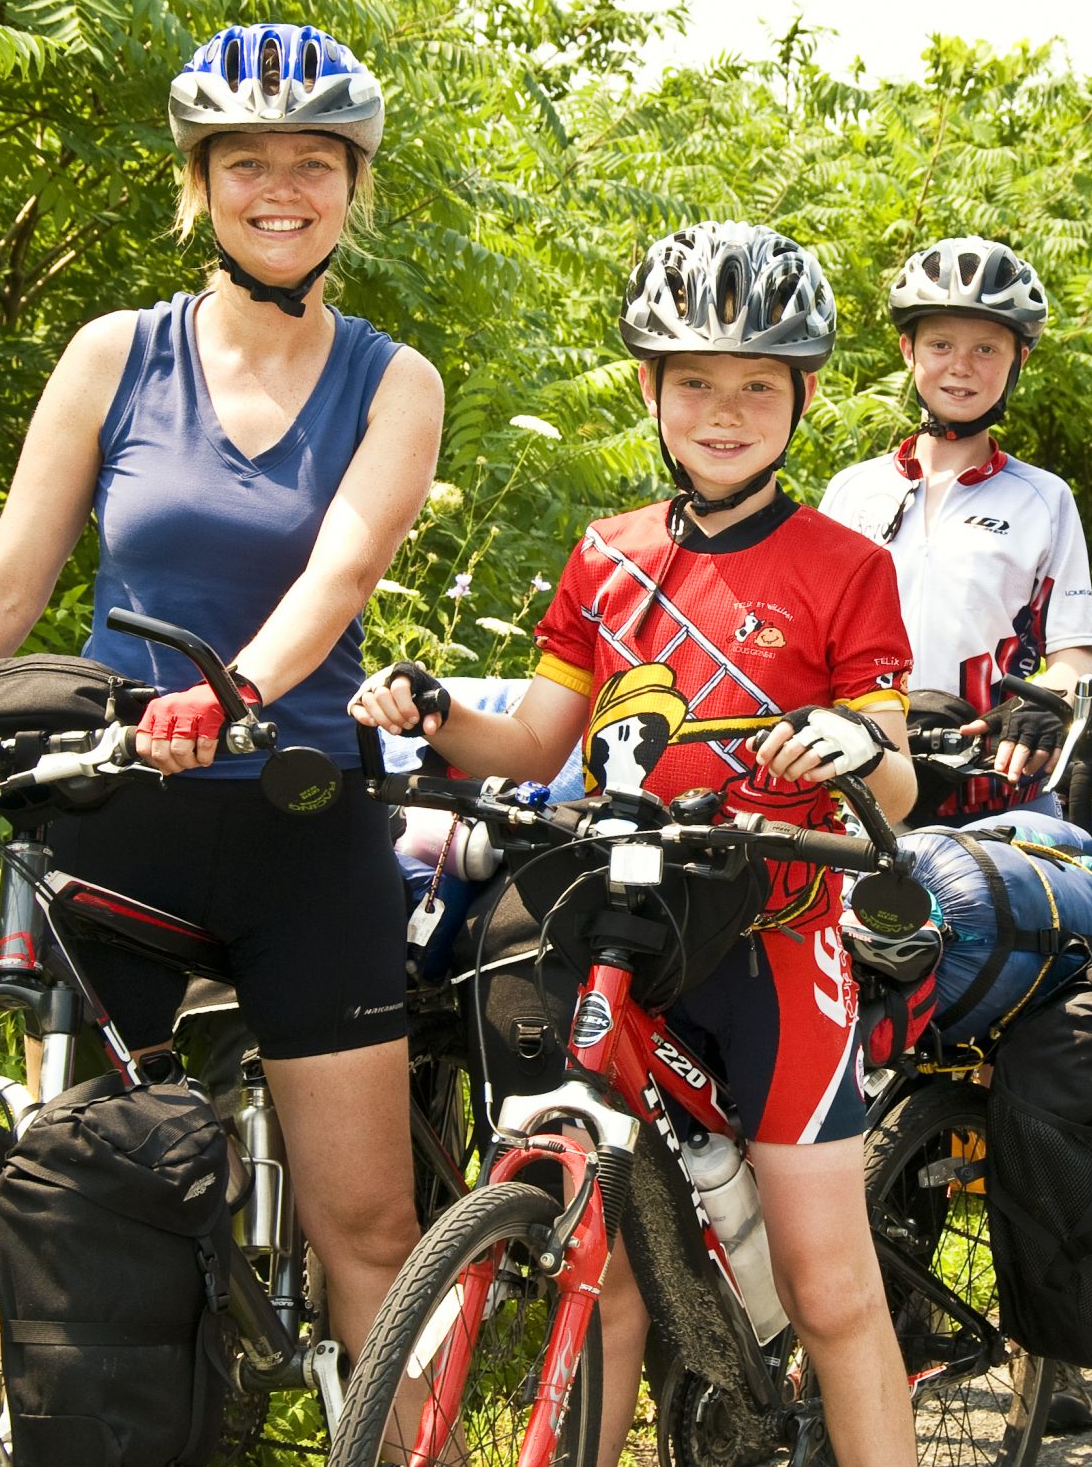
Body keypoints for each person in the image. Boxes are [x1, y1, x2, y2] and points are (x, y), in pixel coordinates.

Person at [0, 22, 444, 1363]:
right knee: (77, 1219)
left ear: (353, 188)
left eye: (314, 162)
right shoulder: (114, 355)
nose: (281, 187)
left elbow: (341, 571)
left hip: (299, 823)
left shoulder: (395, 381)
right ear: (198, 182)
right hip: (110, 817)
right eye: (245, 160)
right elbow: (11, 575)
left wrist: (227, 692)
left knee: (365, 1227)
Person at [352, 220, 918, 1467]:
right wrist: (436, 710)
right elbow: (539, 739)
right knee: (594, 1266)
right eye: (695, 381)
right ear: (651, 390)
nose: (726, 410)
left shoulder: (847, 565)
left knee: (831, 1290)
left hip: (773, 936)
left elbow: (901, 771)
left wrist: (848, 745)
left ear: (803, 396)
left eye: (758, 383)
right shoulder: (607, 554)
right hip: (622, 925)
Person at [819, 237, 1092, 822]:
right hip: (860, 791)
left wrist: (1050, 701)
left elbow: (1075, 658)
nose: (961, 366)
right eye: (941, 344)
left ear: (1019, 360)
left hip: (996, 790)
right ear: (907, 350)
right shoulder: (850, 490)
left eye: (986, 348)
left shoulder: (1044, 499)